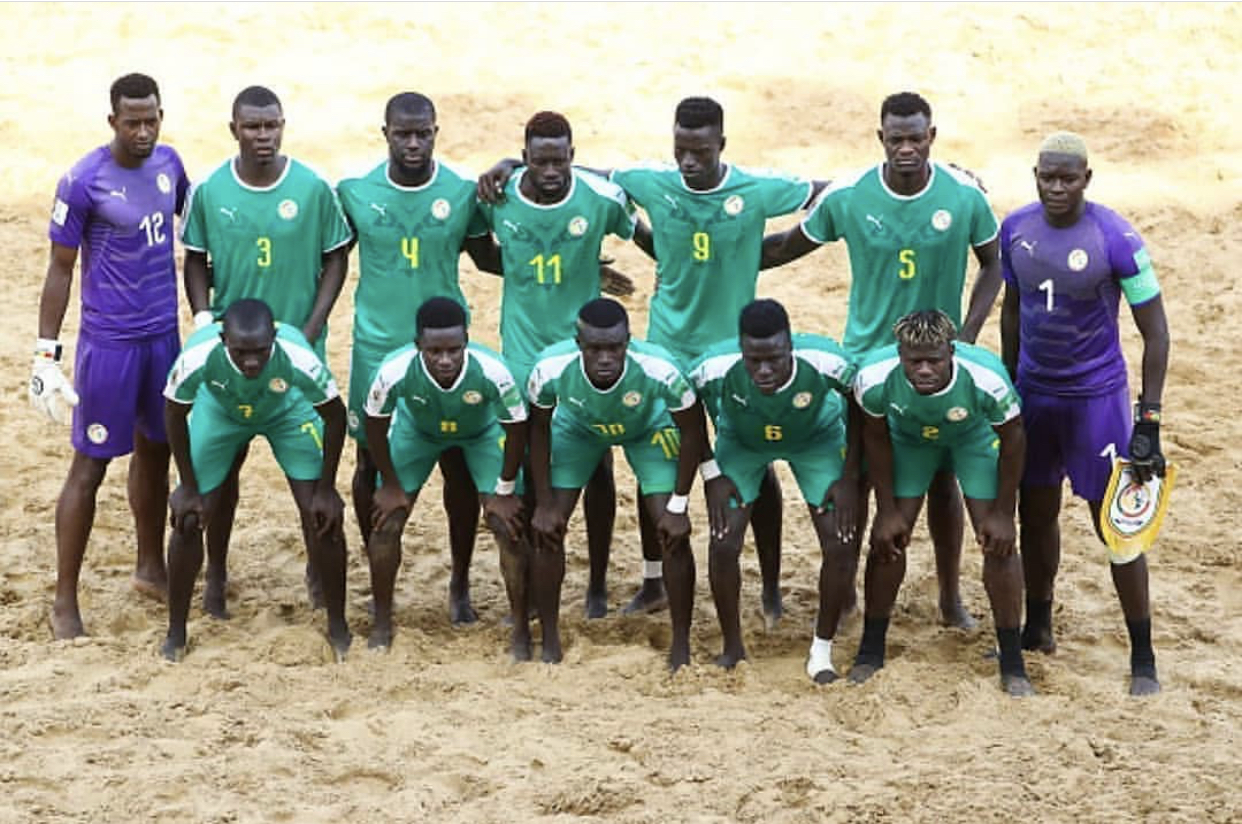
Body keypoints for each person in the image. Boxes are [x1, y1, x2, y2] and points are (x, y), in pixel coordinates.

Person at [479, 97, 827, 625]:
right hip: (666, 345)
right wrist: (508, 162)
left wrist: (940, 171)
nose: (689, 161)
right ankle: (652, 581)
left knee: (753, 459)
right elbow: (586, 175)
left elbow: (828, 191)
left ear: (721, 146)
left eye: (700, 152)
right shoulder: (651, 180)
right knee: (657, 469)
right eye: (681, 150)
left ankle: (773, 588)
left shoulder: (756, 188)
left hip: (732, 353)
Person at [761, 91, 1004, 629]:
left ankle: (949, 597)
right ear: (881, 140)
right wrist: (712, 255)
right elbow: (783, 246)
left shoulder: (964, 196)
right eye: (897, 139)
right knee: (862, 478)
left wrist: (964, 336)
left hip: (936, 367)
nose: (907, 148)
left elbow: (995, 264)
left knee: (943, 481)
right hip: (866, 363)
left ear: (933, 137)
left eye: (917, 138)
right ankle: (846, 595)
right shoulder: (849, 195)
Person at [1000, 132, 1170, 696]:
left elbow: (1156, 331)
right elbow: (1013, 312)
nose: (1055, 187)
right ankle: (1039, 624)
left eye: (1067, 178)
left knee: (1118, 524)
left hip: (1096, 400)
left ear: (1087, 179)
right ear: (1036, 175)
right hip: (1035, 396)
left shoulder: (1116, 237)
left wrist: (1149, 419)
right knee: (1037, 510)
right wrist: (1008, 387)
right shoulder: (1015, 230)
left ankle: (1142, 654)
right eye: (1047, 176)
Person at [180, 85, 353, 617]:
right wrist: (205, 316)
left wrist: (312, 324)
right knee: (223, 474)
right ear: (234, 129)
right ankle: (217, 572)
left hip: (295, 358)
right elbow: (194, 258)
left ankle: (317, 573)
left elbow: (336, 256)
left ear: (283, 126)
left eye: (272, 125)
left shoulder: (312, 187)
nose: (264, 135)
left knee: (309, 479)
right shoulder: (210, 190)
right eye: (253, 127)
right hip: (233, 355)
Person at [336, 92, 504, 624]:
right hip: (375, 347)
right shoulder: (355, 193)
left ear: (436, 132)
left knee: (457, 463)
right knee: (369, 464)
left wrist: (577, 268)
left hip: (445, 350)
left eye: (423, 133)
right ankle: (376, 576)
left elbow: (488, 257)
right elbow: (328, 260)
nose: (413, 143)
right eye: (403, 134)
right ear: (384, 133)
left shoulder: (459, 193)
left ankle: (459, 585)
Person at [33, 72, 189, 639]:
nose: (144, 131)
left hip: (163, 340)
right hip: (109, 346)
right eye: (133, 122)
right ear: (112, 122)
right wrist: (45, 353)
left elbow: (196, 232)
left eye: (152, 119)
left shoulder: (170, 165)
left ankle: (151, 566)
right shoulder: (83, 180)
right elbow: (59, 268)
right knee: (90, 466)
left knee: (156, 452)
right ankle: (64, 600)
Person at [476, 111, 640, 620]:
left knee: (599, 465)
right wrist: (502, 167)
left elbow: (631, 217)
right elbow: (480, 250)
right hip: (523, 355)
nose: (551, 170)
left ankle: (595, 583)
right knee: (528, 469)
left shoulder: (599, 199)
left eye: (561, 159)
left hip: (585, 353)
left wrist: (592, 267)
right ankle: (530, 587)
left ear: (573, 155)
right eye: (540, 160)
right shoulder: (499, 200)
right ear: (524, 157)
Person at [851, 310, 1032, 696]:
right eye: (914, 361)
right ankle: (870, 650)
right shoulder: (873, 377)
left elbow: (1014, 441)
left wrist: (1003, 513)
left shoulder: (987, 379)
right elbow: (876, 437)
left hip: (971, 438)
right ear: (898, 354)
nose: (925, 369)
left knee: (998, 543)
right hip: (911, 440)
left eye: (934, 359)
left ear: (952, 350)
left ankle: (1013, 661)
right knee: (887, 540)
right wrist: (885, 510)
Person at [160, 299, 351, 662]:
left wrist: (327, 489)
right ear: (222, 339)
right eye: (240, 352)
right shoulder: (198, 357)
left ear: (274, 339)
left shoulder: (299, 358)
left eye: (260, 352)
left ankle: (338, 625)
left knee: (322, 514)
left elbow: (336, 418)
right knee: (187, 518)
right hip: (220, 411)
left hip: (286, 410)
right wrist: (186, 485)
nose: (251, 362)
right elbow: (173, 412)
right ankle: (177, 631)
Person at [527, 299, 705, 669]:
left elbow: (692, 431)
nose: (605, 357)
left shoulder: (661, 369)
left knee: (671, 532)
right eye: (595, 349)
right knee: (548, 528)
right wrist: (543, 502)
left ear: (628, 341)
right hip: (579, 429)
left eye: (615, 347)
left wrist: (679, 504)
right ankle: (549, 638)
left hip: (647, 427)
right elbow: (538, 428)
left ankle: (681, 645)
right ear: (578, 344)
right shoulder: (549, 368)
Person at [689, 300, 860, 682]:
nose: (764, 370)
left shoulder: (828, 361)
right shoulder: (711, 368)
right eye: (754, 360)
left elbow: (862, 405)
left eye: (775, 359)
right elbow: (685, 411)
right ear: (740, 349)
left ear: (790, 348)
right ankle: (732, 647)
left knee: (840, 540)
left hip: (815, 439)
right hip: (744, 442)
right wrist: (711, 472)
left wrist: (850, 476)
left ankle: (821, 650)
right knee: (723, 541)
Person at [362, 297, 529, 654]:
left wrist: (504, 489)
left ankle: (518, 627)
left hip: (480, 433)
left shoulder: (493, 371)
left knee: (507, 525)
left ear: (466, 341)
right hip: (418, 432)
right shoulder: (393, 371)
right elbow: (374, 427)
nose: (445, 360)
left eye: (454, 350)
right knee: (385, 522)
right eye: (434, 351)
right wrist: (390, 484)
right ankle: (381, 622)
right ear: (417, 345)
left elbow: (516, 429)